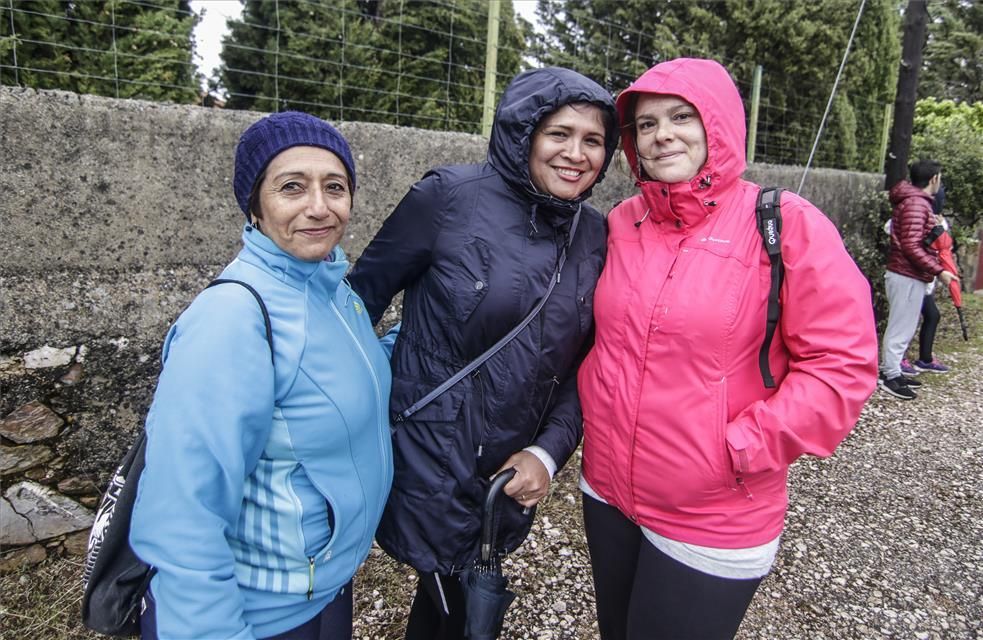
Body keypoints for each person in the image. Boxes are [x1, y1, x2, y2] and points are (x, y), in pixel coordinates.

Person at [576, 58, 878, 640]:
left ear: (718, 124)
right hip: (607, 491)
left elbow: (841, 365)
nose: (661, 134)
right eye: (645, 124)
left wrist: (739, 446)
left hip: (713, 512)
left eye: (681, 116)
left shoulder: (786, 223)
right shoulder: (622, 222)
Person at [347, 67, 619, 639]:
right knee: (453, 601)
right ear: (524, 133)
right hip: (428, 451)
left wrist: (548, 452)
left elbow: (588, 363)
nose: (576, 154)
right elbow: (355, 306)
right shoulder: (448, 197)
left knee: (458, 595)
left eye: (593, 140)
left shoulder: (595, 235)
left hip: (506, 469)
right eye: (559, 134)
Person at [130, 112, 395, 640]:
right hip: (259, 610)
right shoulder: (232, 318)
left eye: (335, 187)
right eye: (291, 187)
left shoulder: (332, 290)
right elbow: (183, 513)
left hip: (324, 588)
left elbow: (347, 376)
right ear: (254, 206)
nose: (319, 207)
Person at [879, 160, 958, 399]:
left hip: (909, 274)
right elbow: (912, 247)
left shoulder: (917, 204)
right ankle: (889, 376)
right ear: (934, 179)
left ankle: (893, 371)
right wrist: (939, 271)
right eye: (940, 178)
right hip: (906, 274)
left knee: (905, 325)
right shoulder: (916, 204)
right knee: (899, 326)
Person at [905, 181, 953, 374]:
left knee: (931, 315)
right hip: (911, 274)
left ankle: (925, 358)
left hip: (927, 277)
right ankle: (898, 362)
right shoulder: (914, 211)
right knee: (908, 319)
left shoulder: (940, 222)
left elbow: (943, 246)